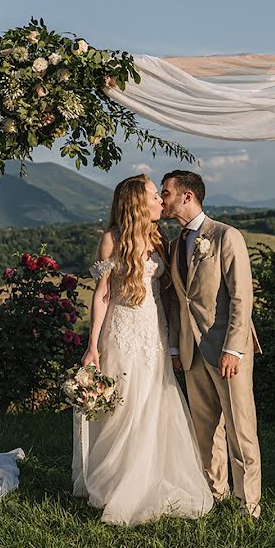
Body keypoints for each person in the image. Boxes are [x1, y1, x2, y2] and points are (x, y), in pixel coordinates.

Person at [72, 173, 213, 526]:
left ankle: (152, 475)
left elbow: (168, 291)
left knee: (154, 404)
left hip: (154, 329)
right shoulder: (112, 239)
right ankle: (119, 480)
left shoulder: (157, 236)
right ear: (138, 202)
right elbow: (102, 294)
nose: (160, 201)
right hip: (122, 332)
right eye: (154, 195)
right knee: (125, 408)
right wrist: (92, 345)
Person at [160, 169, 263, 519]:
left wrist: (234, 349)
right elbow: (177, 302)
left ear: (187, 197)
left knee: (240, 429)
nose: (162, 199)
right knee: (205, 432)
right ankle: (215, 495)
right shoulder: (174, 246)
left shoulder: (225, 237)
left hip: (226, 350)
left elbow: (241, 298)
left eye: (167, 192)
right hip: (191, 351)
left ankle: (248, 504)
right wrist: (175, 348)